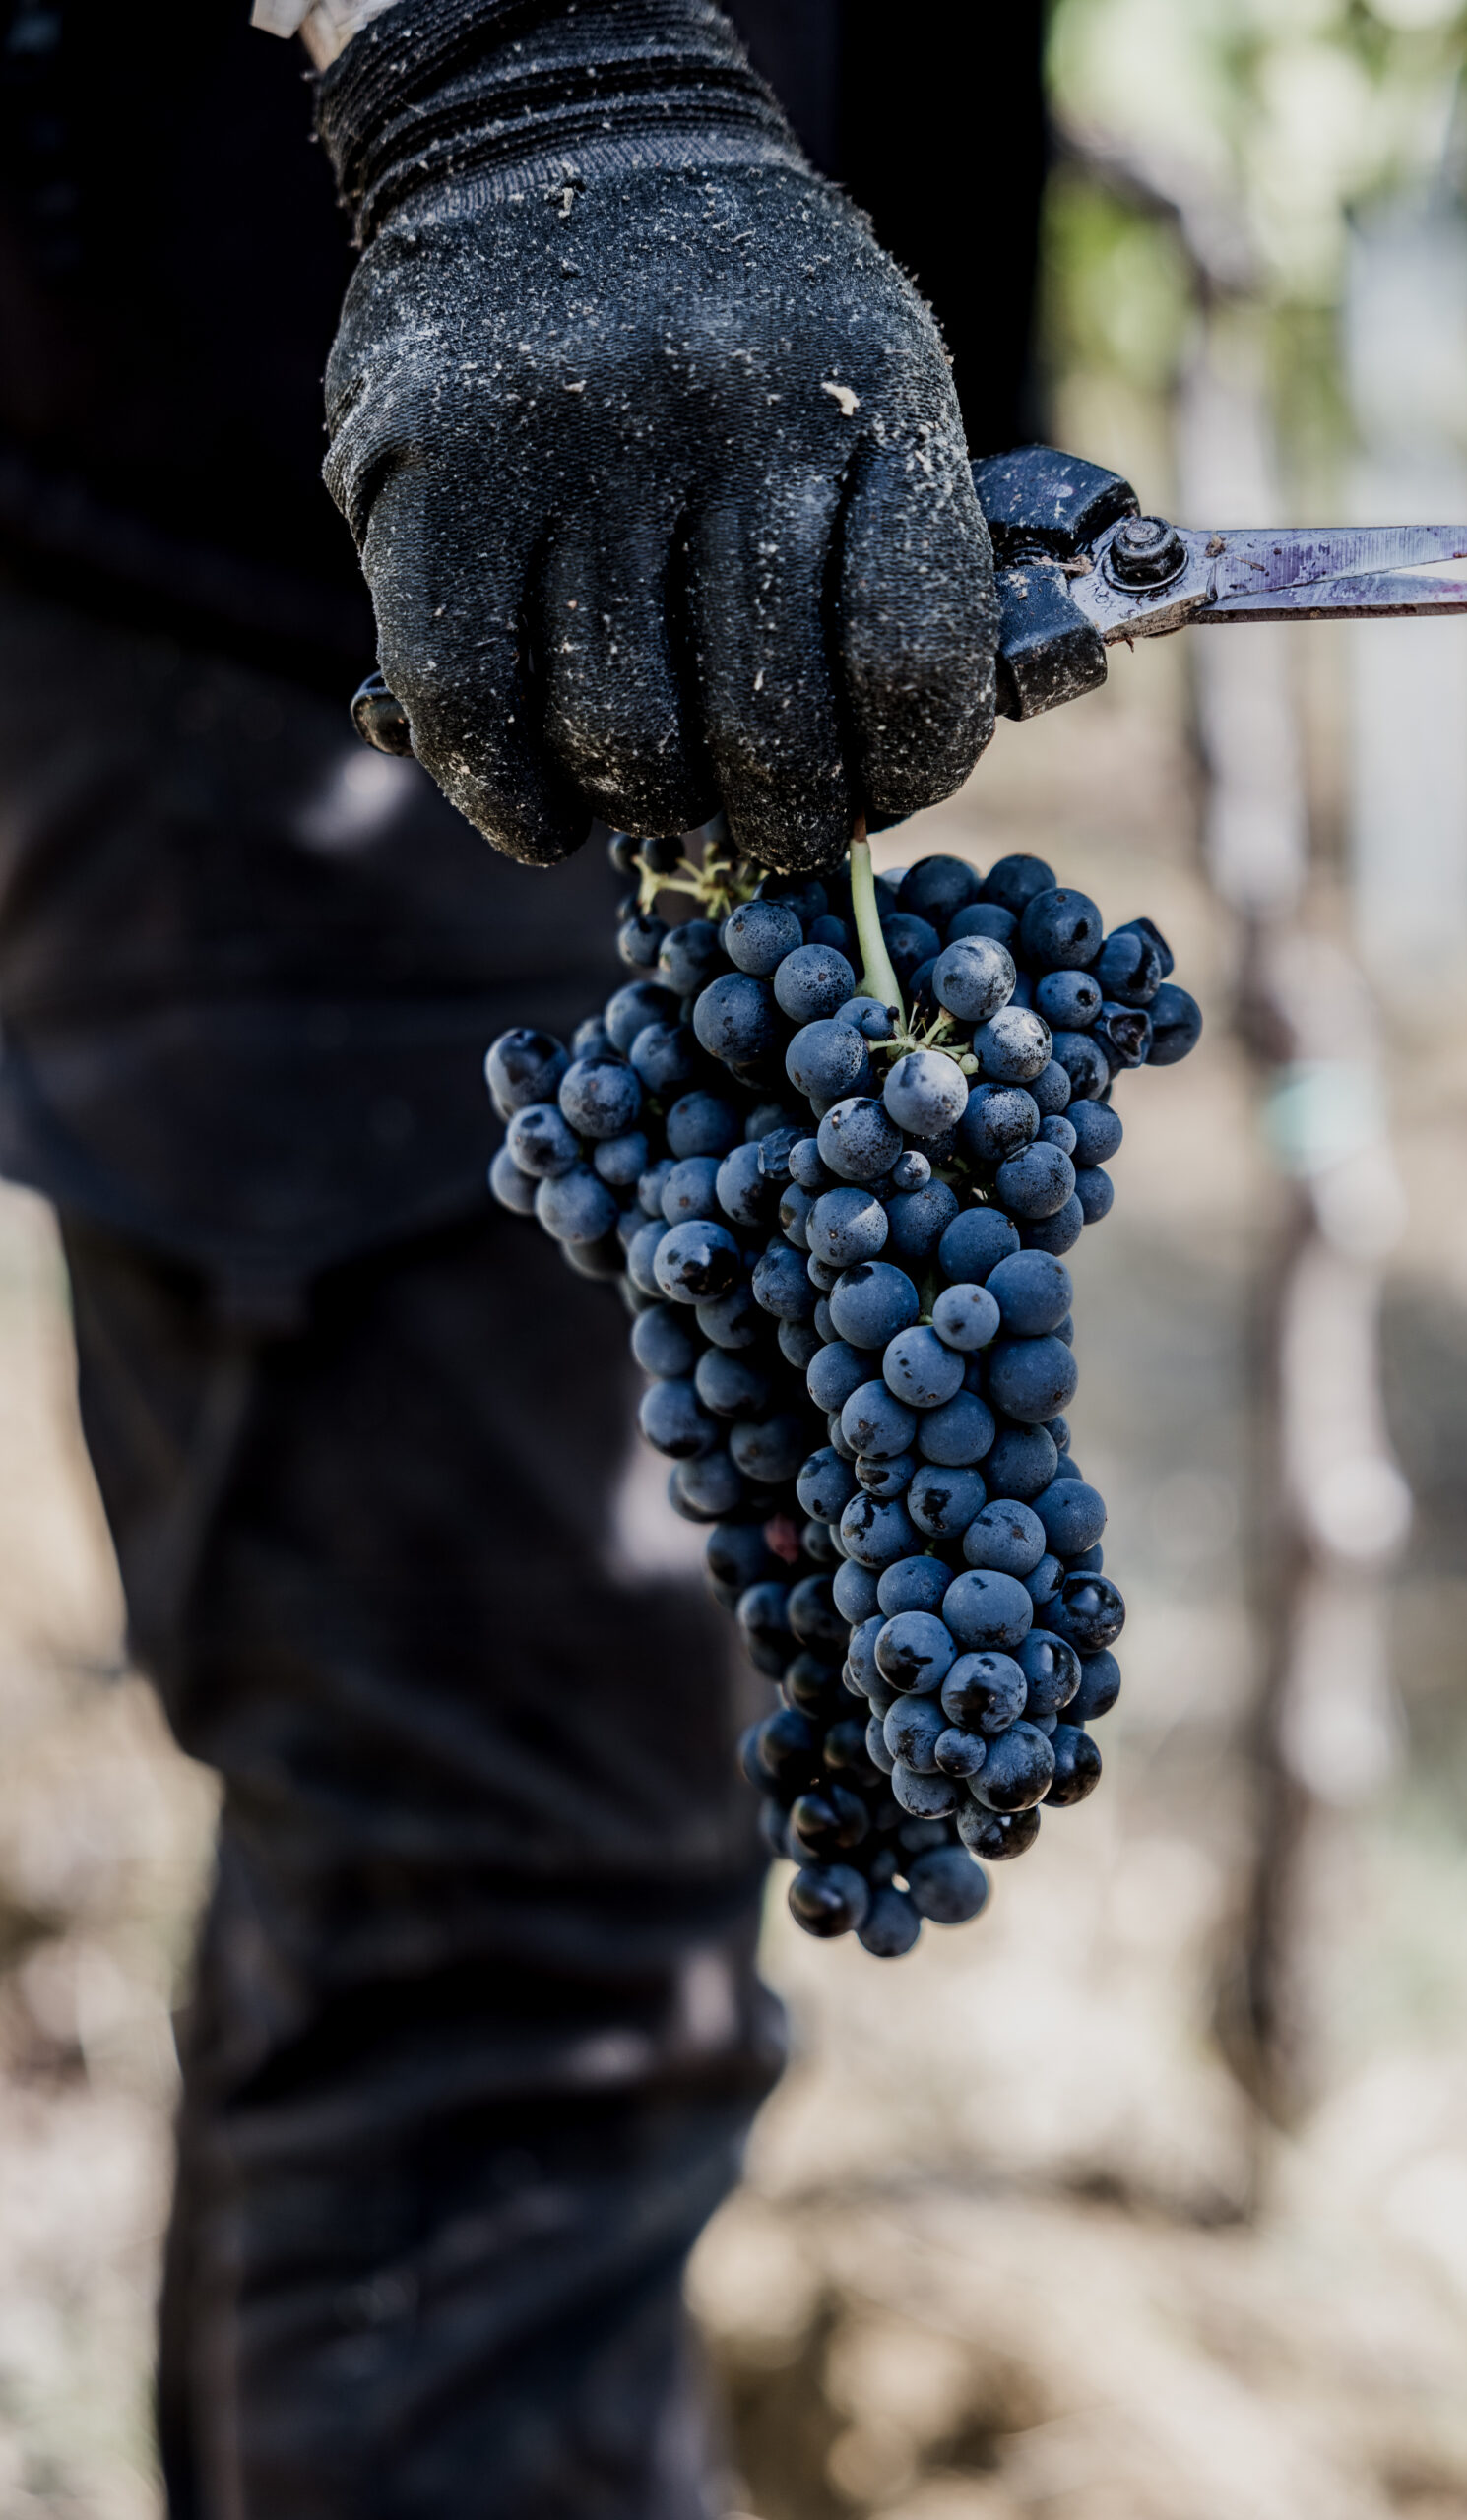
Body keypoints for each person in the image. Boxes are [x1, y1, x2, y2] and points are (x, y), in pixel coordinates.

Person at [0, 2, 1044, 2509]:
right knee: (512, 1931)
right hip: (300, 600)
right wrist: (513, 60)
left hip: (526, 584)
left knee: (447, 1897)